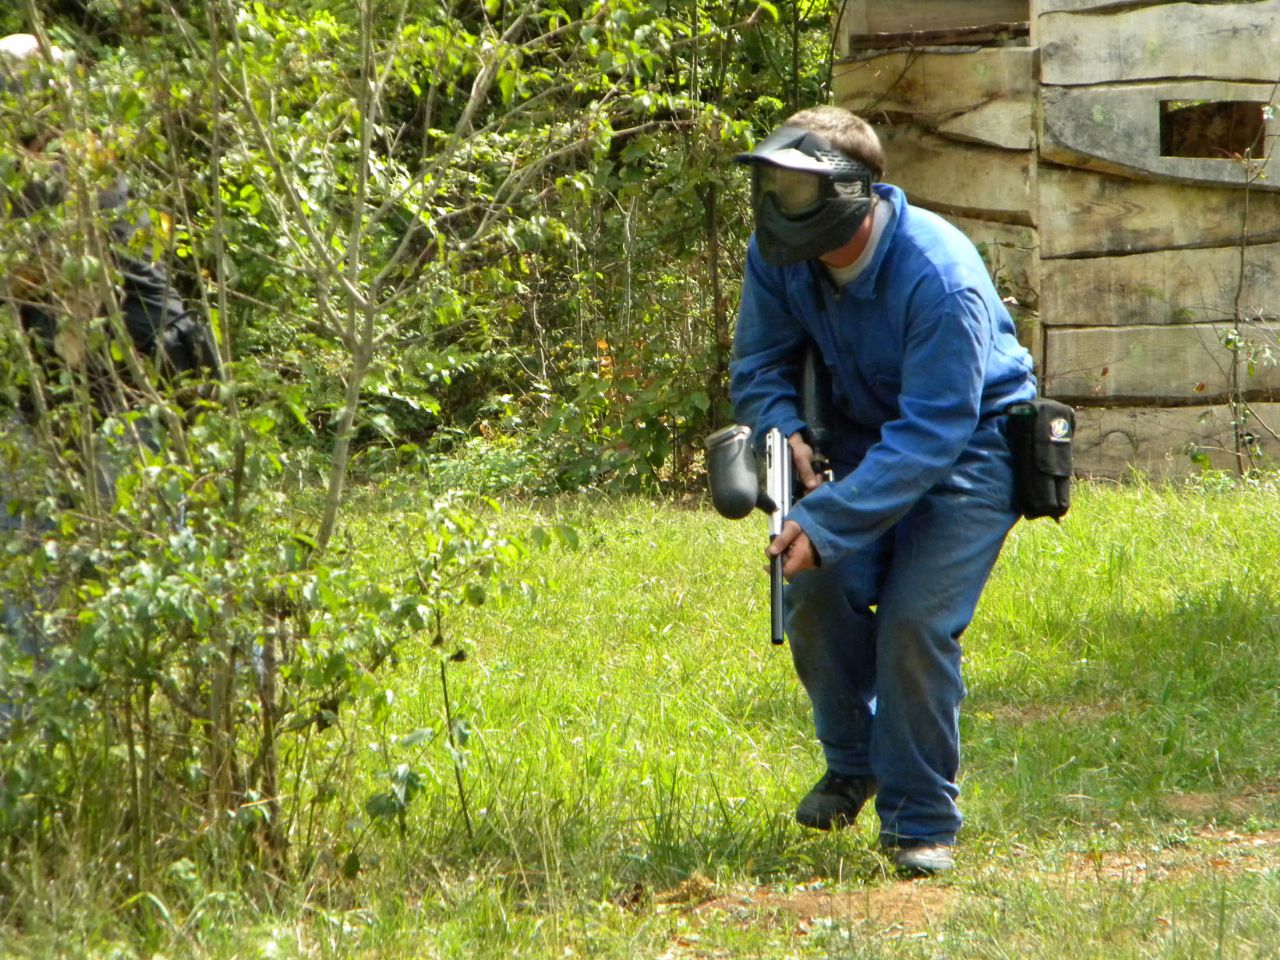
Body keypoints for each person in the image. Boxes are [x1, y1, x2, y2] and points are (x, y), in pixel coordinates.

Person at [729, 106, 1036, 875]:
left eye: (795, 187)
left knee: (914, 623)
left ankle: (920, 821)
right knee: (814, 590)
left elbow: (935, 430)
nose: (776, 205)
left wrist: (829, 518)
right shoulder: (779, 255)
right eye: (771, 185)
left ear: (851, 190)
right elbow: (759, 365)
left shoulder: (938, 276)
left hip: (972, 449)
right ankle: (853, 763)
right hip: (862, 439)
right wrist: (783, 429)